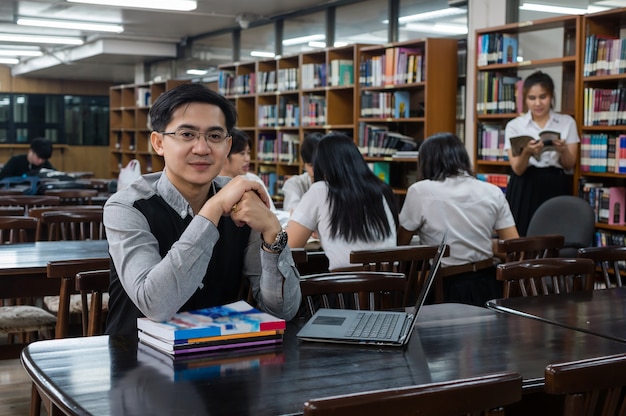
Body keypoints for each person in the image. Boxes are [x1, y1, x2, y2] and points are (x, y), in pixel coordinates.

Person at [103, 83, 301, 337]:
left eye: (215, 136)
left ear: (227, 146)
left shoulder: (242, 201)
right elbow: (156, 304)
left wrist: (274, 232)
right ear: (158, 143)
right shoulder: (127, 207)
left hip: (222, 358)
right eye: (187, 135)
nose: (202, 148)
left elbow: (283, 311)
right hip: (137, 360)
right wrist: (214, 208)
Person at [397, 132, 519, 307]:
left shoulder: (420, 191)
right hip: (489, 283)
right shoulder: (492, 191)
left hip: (445, 287)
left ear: (427, 161)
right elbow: (513, 245)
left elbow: (401, 244)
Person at [286, 132, 399, 270]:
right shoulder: (380, 189)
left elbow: (289, 246)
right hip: (390, 287)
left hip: (346, 288)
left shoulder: (320, 190)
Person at [504, 70, 579, 236]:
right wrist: (527, 153)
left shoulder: (567, 122)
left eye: (543, 97)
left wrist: (563, 150)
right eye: (532, 98)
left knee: (554, 236)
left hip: (555, 183)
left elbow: (569, 164)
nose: (538, 103)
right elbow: (517, 168)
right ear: (525, 99)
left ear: (551, 96)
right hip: (525, 184)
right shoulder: (515, 125)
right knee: (522, 236)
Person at [219, 128, 276, 211]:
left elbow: (270, 212)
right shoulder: (213, 184)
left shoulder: (253, 180)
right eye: (242, 153)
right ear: (226, 154)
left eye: (248, 153)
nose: (247, 159)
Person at [281, 132, 323, 214]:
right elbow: (292, 211)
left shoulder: (334, 183)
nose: (316, 170)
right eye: (311, 165)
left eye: (319, 164)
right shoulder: (294, 183)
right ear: (304, 165)